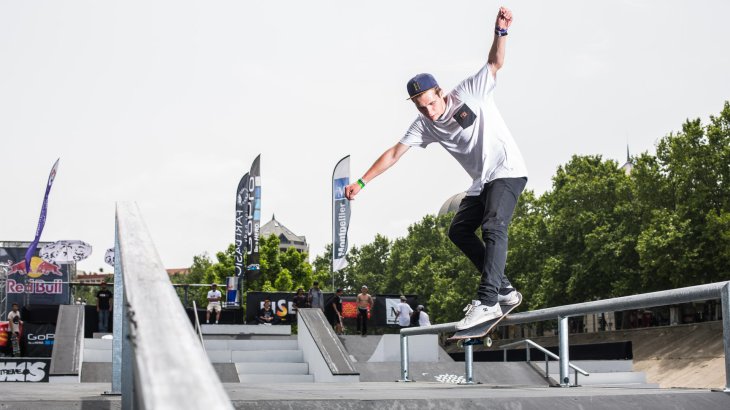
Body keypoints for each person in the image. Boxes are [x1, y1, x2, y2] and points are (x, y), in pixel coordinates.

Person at [345, 6, 525, 331]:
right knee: (458, 231)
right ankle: (506, 290)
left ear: (440, 92)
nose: (429, 112)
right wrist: (363, 181)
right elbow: (394, 153)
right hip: (481, 182)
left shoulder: (469, 91)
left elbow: (495, 63)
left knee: (494, 226)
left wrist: (500, 32)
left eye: (431, 103)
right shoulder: (423, 125)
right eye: (421, 107)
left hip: (507, 169)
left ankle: (487, 300)